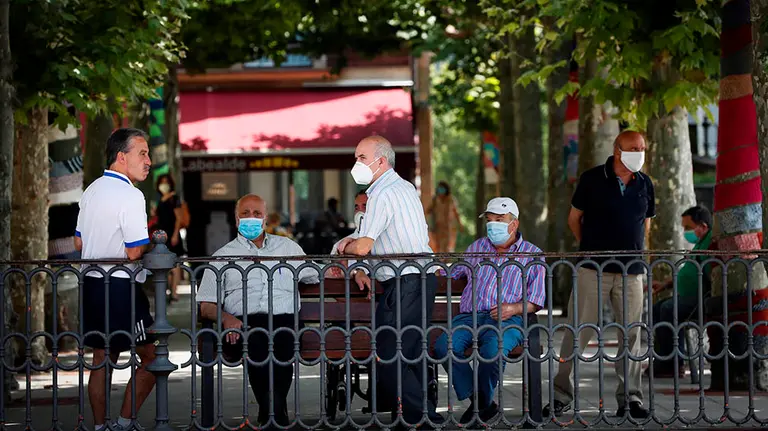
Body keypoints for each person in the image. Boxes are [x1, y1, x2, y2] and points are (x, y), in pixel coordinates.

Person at [544, 130, 655, 419]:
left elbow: (645, 224)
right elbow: (574, 219)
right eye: (634, 147)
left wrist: (640, 254)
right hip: (593, 269)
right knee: (578, 331)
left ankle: (630, 399)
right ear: (618, 149)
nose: (640, 152)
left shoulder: (645, 183)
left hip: (631, 272)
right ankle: (560, 394)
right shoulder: (592, 179)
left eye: (643, 147)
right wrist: (591, 250)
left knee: (631, 335)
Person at [336, 135, 443, 428]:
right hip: (422, 278)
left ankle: (420, 417)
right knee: (410, 352)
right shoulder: (405, 187)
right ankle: (421, 415)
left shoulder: (382, 194)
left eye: (361, 157)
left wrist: (345, 246)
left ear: (380, 161)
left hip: (405, 281)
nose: (356, 164)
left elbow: (362, 246)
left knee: (388, 353)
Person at [196, 194, 319, 428]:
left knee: (283, 343)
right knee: (258, 343)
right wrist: (226, 319)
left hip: (286, 320)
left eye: (256, 213)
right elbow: (206, 304)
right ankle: (276, 413)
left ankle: (269, 412)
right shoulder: (222, 256)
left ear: (265, 218)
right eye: (245, 213)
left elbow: (318, 271)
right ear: (236, 219)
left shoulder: (288, 247)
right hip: (245, 323)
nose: (251, 218)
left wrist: (352, 269)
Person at [433, 197, 546, 425]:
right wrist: (430, 269)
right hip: (469, 317)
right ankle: (483, 403)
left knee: (494, 347)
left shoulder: (533, 254)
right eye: (490, 219)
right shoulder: (476, 248)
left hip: (509, 319)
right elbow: (452, 274)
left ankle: (479, 407)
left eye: (499, 220)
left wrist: (512, 308)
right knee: (443, 346)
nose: (493, 224)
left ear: (514, 224)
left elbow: (536, 300)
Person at [73, 128, 156, 431]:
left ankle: (99, 427)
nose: (149, 160)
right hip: (120, 287)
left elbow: (79, 243)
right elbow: (134, 251)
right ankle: (123, 423)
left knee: (101, 360)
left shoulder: (92, 189)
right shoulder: (131, 195)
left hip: (92, 284)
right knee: (154, 356)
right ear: (122, 157)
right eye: (142, 153)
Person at [648, 205, 713, 378]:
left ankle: (672, 364)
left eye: (688, 227)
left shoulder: (711, 243)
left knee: (668, 309)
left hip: (701, 299)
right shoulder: (700, 243)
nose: (685, 232)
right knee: (658, 308)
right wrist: (665, 284)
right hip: (687, 297)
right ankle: (663, 358)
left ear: (703, 226)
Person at [154, 174, 186, 302]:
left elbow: (179, 218)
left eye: (166, 182)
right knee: (165, 264)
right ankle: (168, 291)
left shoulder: (174, 199)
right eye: (162, 182)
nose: (164, 185)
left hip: (172, 234)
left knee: (175, 265)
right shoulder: (159, 199)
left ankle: (174, 292)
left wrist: (175, 234)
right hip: (161, 235)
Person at [425, 181, 464, 253]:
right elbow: (428, 211)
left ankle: (445, 261)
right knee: (438, 245)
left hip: (449, 227)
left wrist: (460, 224)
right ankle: (440, 262)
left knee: (447, 246)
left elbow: (456, 213)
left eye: (442, 188)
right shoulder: (435, 200)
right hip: (438, 226)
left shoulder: (451, 199)